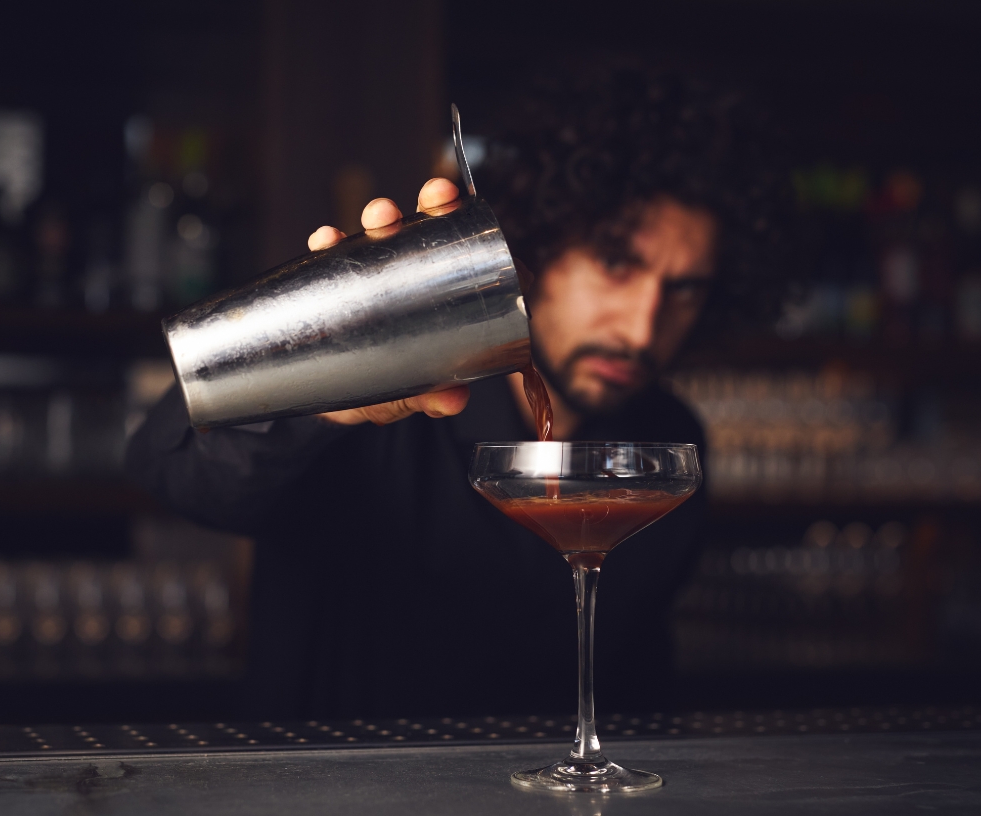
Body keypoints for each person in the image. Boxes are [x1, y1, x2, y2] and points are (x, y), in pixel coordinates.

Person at [129, 70, 787, 719]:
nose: (642, 327)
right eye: (616, 264)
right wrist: (320, 383)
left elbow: (634, 679)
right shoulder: (383, 412)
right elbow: (170, 464)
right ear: (537, 244)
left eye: (685, 289)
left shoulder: (668, 443)